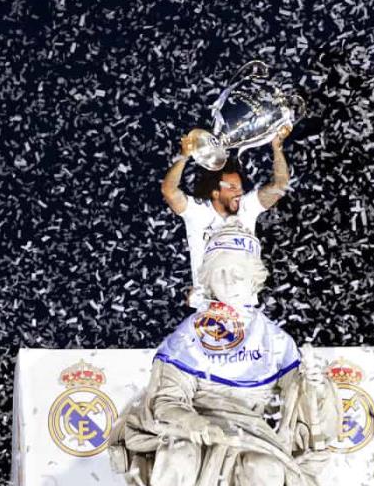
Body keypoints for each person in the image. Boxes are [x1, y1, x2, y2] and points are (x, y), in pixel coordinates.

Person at [108, 220, 341, 486]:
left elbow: (301, 408)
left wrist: (316, 386)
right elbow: (166, 401)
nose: (229, 282)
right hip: (196, 432)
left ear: (254, 280)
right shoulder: (188, 337)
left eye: (238, 274)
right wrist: (193, 423)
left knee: (263, 467)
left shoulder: (275, 341)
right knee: (179, 454)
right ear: (208, 279)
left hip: (253, 436)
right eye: (220, 273)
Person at [161, 125, 292, 307]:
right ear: (215, 193)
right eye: (232, 188)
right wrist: (184, 156)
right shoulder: (197, 212)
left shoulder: (247, 207)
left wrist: (277, 147)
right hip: (209, 308)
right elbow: (169, 190)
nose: (239, 192)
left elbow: (281, 184)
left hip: (245, 307)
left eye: (239, 187)